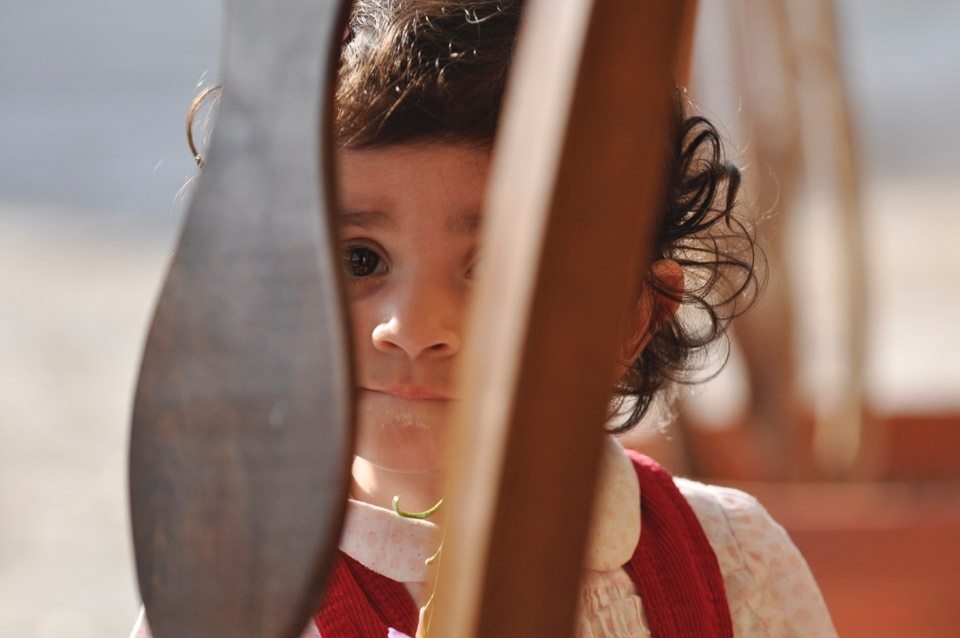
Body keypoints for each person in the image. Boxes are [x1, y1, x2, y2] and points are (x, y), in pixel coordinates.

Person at [132, 0, 836, 636]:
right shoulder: (220, 600)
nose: (411, 328)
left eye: (496, 269)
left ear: (634, 317)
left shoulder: (736, 561)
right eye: (359, 261)